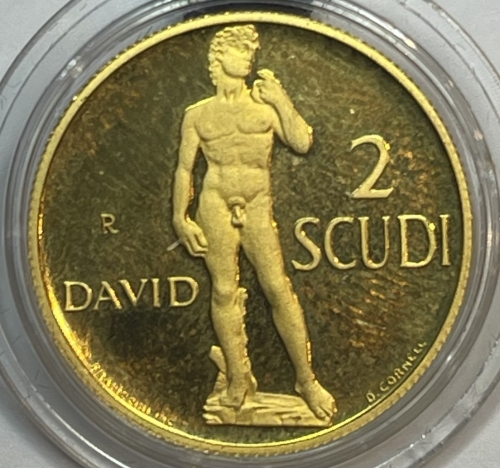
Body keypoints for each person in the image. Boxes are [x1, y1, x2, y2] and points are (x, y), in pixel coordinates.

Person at [173, 24, 336, 421]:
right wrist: (180, 218)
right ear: (219, 58)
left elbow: (302, 141)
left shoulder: (265, 106)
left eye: (250, 50)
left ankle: (306, 380)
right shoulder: (197, 115)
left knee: (277, 287)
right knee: (224, 291)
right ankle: (237, 379)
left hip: (257, 205)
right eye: (240, 50)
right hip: (215, 204)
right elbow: (184, 169)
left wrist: (282, 100)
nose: (248, 56)